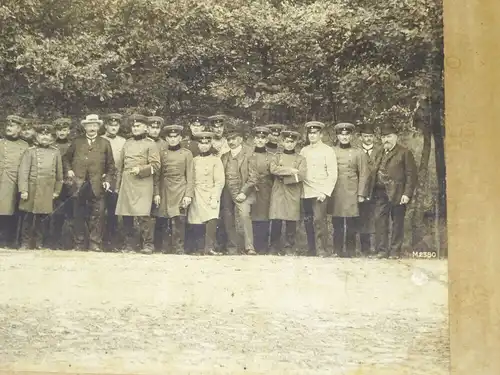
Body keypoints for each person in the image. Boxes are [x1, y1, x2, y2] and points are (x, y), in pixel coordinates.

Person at [63, 114, 116, 251]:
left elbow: (111, 166)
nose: (92, 128)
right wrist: (69, 170)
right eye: (89, 125)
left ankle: (95, 243)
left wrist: (108, 180)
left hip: (97, 184)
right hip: (79, 184)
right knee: (78, 213)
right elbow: (66, 159)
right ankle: (79, 243)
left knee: (98, 214)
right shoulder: (77, 142)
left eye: (94, 125)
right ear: (84, 127)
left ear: (98, 127)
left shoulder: (105, 143)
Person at [115, 114, 160, 254]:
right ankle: (129, 245)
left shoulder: (150, 144)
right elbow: (120, 166)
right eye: (133, 126)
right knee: (126, 215)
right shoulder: (127, 143)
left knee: (144, 215)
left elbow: (156, 165)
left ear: (146, 128)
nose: (135, 128)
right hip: (127, 182)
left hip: (143, 183)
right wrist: (117, 186)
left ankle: (148, 245)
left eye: (138, 126)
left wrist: (140, 169)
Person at [370, 124, 417, 259]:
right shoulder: (379, 152)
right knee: (380, 221)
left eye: (389, 136)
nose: (386, 140)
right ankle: (382, 251)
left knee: (397, 222)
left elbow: (411, 175)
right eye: (384, 137)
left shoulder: (404, 152)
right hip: (380, 193)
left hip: (398, 193)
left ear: (396, 137)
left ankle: (395, 251)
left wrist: (407, 194)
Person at [18, 124, 63, 249]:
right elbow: (23, 172)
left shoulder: (55, 152)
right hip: (32, 188)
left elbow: (59, 175)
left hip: (47, 190)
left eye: (47, 135)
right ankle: (25, 243)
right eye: (42, 134)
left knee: (43, 219)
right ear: (37, 136)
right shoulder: (30, 151)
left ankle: (39, 243)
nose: (44, 137)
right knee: (28, 217)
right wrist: (23, 189)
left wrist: (57, 191)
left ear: (52, 137)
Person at [329, 123, 369, 258]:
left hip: (352, 191)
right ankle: (337, 250)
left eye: (347, 135)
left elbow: (364, 173)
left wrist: (361, 193)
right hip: (336, 191)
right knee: (337, 222)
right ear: (337, 136)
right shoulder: (331, 151)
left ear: (351, 136)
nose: (344, 137)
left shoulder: (358, 152)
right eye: (341, 134)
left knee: (351, 222)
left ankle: (351, 251)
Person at [300, 121, 337, 257]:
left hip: (319, 191)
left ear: (321, 135)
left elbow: (333, 174)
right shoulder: (304, 150)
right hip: (306, 191)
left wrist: (325, 192)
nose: (312, 135)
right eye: (310, 133)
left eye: (315, 133)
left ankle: (322, 249)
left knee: (319, 221)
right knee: (308, 220)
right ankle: (311, 249)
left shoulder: (328, 151)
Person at [220, 126, 258, 255]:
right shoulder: (224, 156)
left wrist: (244, 192)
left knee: (245, 216)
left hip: (243, 190)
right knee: (228, 217)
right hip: (226, 191)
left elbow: (253, 177)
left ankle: (249, 247)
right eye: (229, 139)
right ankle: (232, 247)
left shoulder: (249, 155)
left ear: (240, 139)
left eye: (234, 139)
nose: (231, 142)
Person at [156, 124, 193, 254]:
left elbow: (190, 175)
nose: (172, 139)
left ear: (180, 138)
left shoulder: (186, 154)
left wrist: (188, 194)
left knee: (179, 219)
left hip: (180, 188)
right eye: (170, 137)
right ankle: (165, 247)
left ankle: (179, 247)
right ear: (166, 138)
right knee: (165, 218)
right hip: (166, 188)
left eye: (175, 136)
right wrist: (157, 193)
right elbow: (159, 176)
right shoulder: (162, 153)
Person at [269, 130, 307, 255]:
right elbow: (273, 169)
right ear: (283, 142)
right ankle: (274, 246)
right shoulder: (277, 156)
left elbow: (301, 175)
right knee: (276, 218)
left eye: (292, 142)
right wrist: (290, 170)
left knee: (291, 219)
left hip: (293, 191)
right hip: (278, 191)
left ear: (295, 143)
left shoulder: (300, 158)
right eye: (287, 141)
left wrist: (283, 177)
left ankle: (289, 247)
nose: (289, 144)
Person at [187, 132, 225, 255]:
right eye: (201, 143)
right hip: (197, 193)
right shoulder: (194, 160)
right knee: (196, 220)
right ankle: (198, 248)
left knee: (211, 218)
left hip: (210, 193)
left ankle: (210, 247)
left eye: (207, 143)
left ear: (210, 144)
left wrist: (215, 197)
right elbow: (190, 179)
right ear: (198, 145)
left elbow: (219, 181)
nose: (204, 146)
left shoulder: (216, 160)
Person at [0, 115, 29, 248]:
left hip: (15, 182)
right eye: (8, 126)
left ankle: (8, 241)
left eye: (12, 126)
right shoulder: (1, 143)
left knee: (11, 212)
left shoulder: (25, 146)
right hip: (2, 180)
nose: (9, 128)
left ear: (19, 129)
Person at [101, 113, 127, 251]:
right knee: (99, 211)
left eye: (116, 125)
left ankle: (113, 242)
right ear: (106, 126)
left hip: (117, 180)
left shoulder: (123, 141)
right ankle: (98, 241)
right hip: (101, 179)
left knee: (113, 212)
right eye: (111, 125)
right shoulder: (99, 140)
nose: (113, 128)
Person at [356, 123, 382, 255]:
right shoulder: (357, 151)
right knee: (362, 218)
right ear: (361, 137)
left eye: (370, 136)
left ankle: (377, 248)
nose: (368, 139)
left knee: (376, 218)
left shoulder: (380, 151)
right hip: (360, 189)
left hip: (376, 190)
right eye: (365, 136)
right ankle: (364, 249)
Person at [249, 126, 274, 254]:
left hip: (266, 189)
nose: (260, 140)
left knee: (264, 217)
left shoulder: (271, 156)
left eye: (262, 138)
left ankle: (263, 247)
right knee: (253, 216)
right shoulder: (249, 155)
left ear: (266, 140)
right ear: (254, 139)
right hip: (251, 188)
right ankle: (253, 246)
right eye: (257, 137)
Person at [50, 117, 74, 249]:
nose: (62, 133)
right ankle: (53, 241)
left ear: (69, 131)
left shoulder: (73, 145)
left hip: (70, 183)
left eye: (64, 129)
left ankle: (69, 242)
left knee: (70, 213)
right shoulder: (52, 145)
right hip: (54, 183)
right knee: (55, 212)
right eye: (59, 130)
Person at [147, 115, 167, 251]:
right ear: (147, 128)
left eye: (157, 128)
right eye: (152, 127)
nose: (155, 131)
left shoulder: (164, 144)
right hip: (145, 180)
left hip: (161, 181)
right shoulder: (143, 142)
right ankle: (147, 243)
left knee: (160, 213)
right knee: (146, 214)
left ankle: (159, 245)